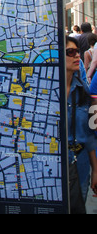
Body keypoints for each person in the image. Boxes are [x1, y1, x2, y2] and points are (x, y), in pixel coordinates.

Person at [66, 36, 97, 205]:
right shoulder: (46, 95)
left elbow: (90, 134)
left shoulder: (83, 90)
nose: (77, 56)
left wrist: (95, 171)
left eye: (77, 51)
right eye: (70, 52)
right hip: (55, 167)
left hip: (81, 166)